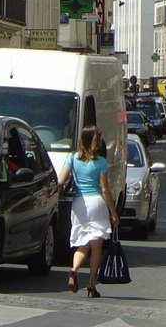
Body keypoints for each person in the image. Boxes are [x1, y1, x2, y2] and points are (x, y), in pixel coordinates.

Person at [58, 125, 119, 298]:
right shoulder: (100, 162)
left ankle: (74, 270)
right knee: (96, 245)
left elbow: (61, 180)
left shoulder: (72, 158)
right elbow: (105, 190)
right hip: (96, 203)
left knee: (82, 244)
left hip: (78, 204)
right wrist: (114, 213)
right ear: (95, 142)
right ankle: (91, 283)